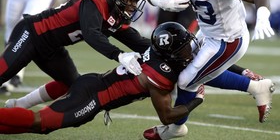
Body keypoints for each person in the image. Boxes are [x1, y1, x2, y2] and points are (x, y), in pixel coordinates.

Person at [143, 0, 275, 139]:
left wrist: (263, 16)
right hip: (206, 31)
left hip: (229, 39)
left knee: (187, 81)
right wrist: (160, 1)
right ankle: (256, 87)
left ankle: (176, 129)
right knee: (179, 63)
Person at [0, 22, 205, 134]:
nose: (189, 50)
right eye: (183, 47)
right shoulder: (159, 75)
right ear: (170, 53)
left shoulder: (157, 56)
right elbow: (167, 116)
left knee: (41, 128)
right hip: (92, 96)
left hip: (93, 87)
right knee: (40, 121)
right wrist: (196, 100)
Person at [0, 0, 150, 108]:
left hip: (52, 47)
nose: (133, 5)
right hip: (32, 33)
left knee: (72, 86)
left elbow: (137, 41)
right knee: (2, 72)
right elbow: (91, 34)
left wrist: (164, 48)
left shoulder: (117, 16)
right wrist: (119, 55)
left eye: (136, 0)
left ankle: (18, 105)